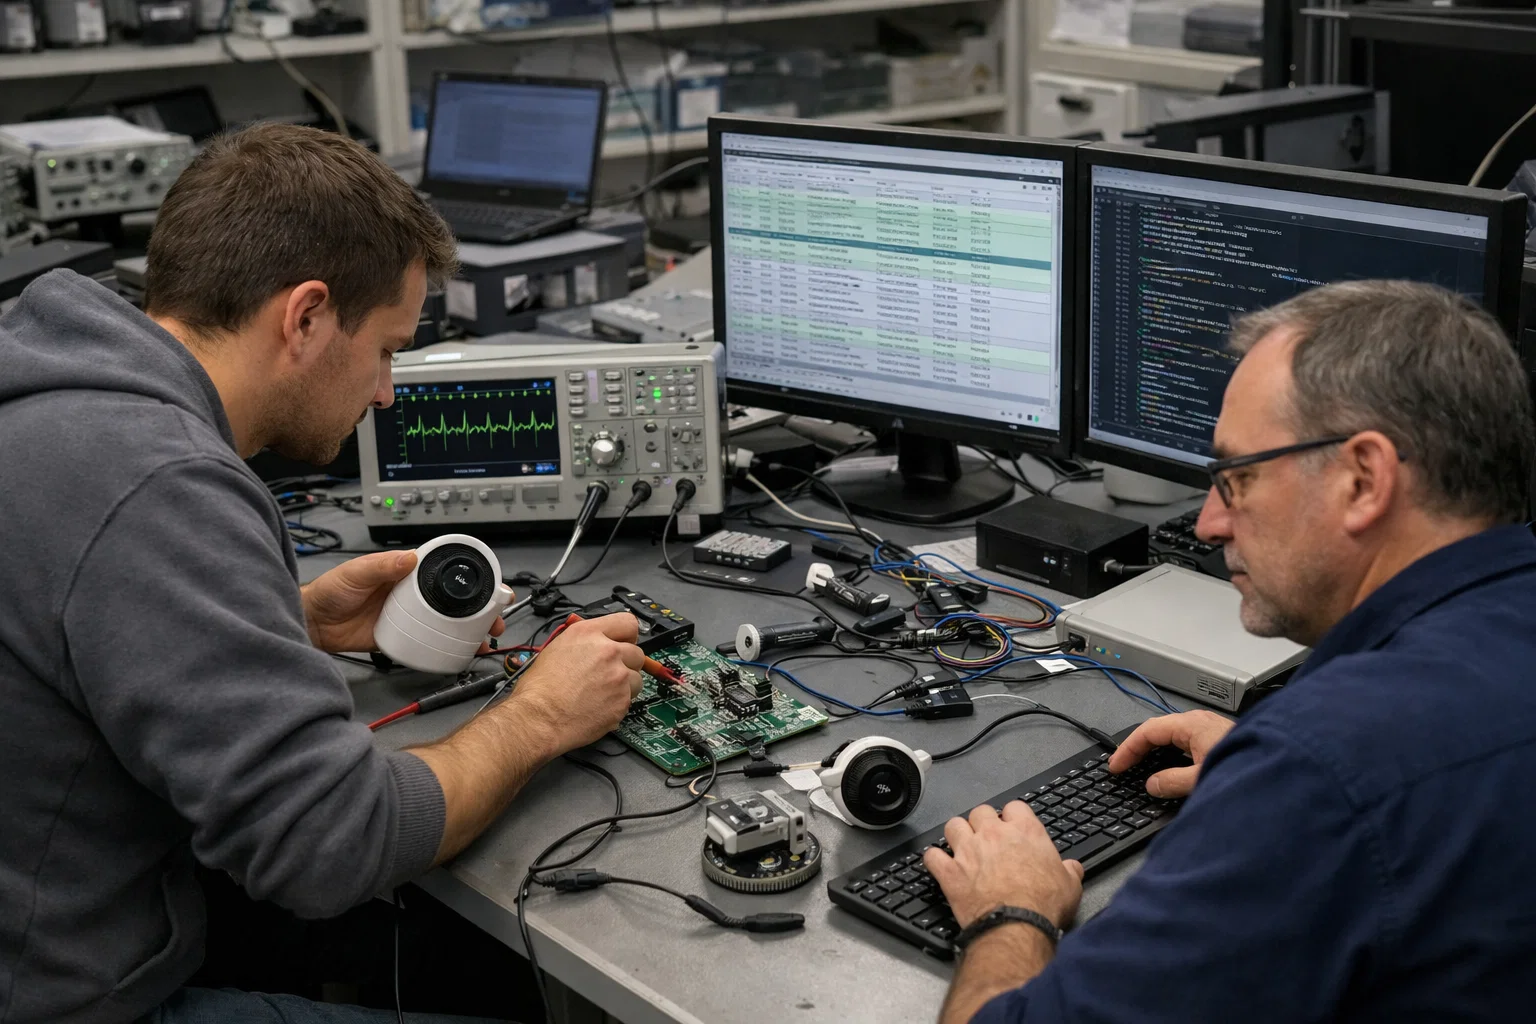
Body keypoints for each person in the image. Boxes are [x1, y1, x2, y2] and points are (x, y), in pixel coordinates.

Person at [0, 124, 644, 1024]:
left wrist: (283, 620)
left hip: (67, 916)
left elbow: (71, 621)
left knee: (464, 956)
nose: (386, 391)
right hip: (72, 1000)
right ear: (304, 317)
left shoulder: (58, 392)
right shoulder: (158, 482)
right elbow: (331, 843)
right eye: (386, 348)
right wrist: (540, 715)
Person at [926, 279, 1536, 1022]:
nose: (1208, 523)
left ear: (1364, 480)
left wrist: (1010, 911)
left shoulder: (1322, 770)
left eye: (1238, 478)